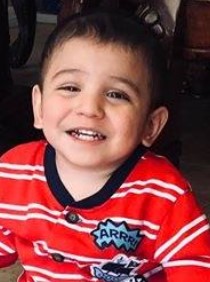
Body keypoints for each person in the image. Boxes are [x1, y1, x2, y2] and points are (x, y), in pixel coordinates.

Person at [0, 9, 209, 282]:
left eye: (116, 94)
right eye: (70, 88)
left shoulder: (164, 193)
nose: (89, 108)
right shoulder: (12, 172)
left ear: (151, 125)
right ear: (38, 106)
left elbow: (195, 266)